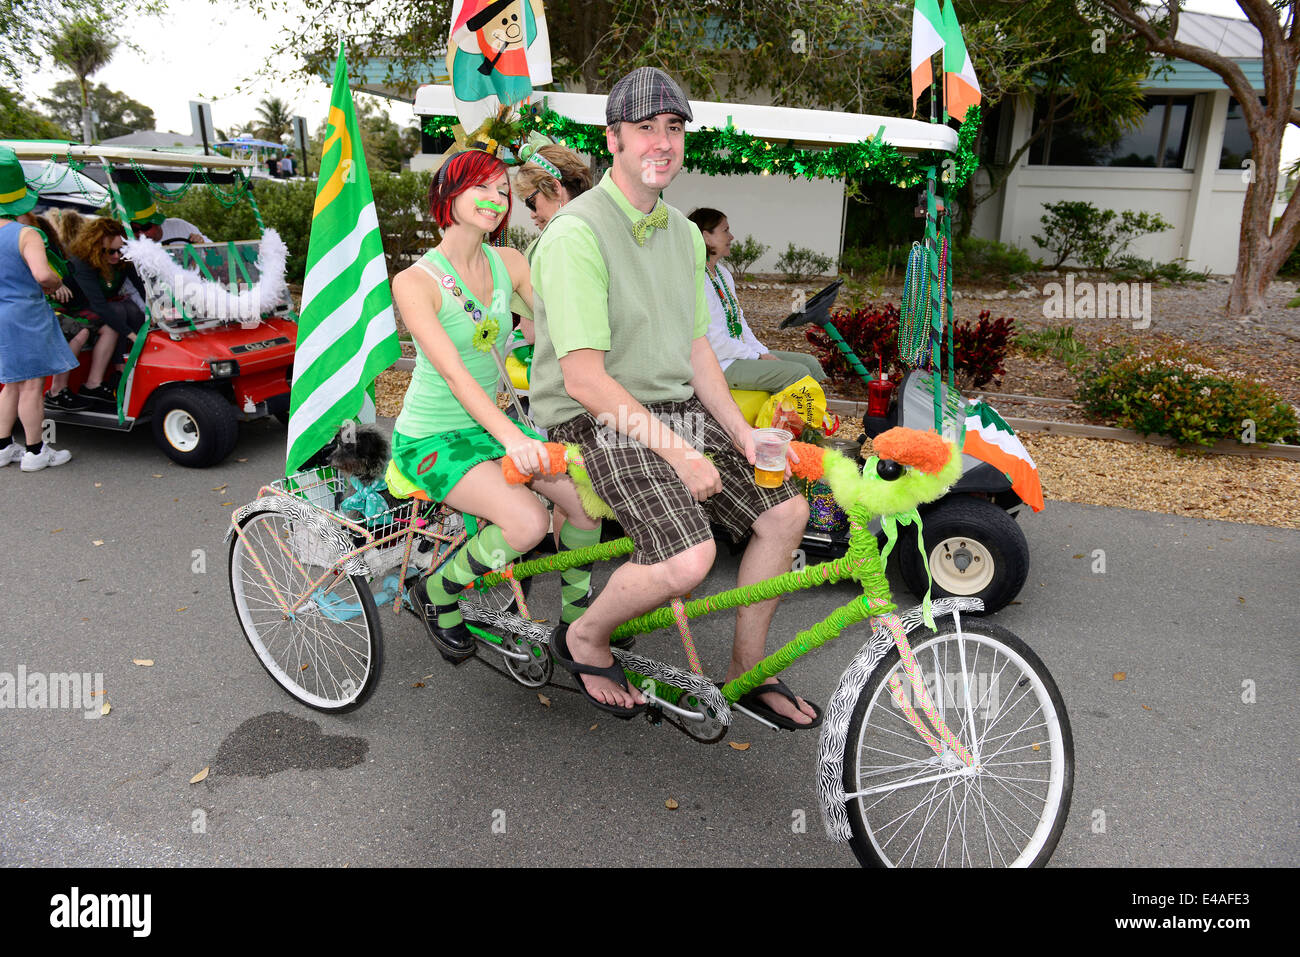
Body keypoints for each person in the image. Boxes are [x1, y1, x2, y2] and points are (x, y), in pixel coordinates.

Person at [527, 67, 818, 726]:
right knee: (690, 556)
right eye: (645, 128)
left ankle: (748, 669)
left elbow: (696, 352)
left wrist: (743, 435)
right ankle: (585, 635)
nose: (661, 141)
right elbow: (584, 380)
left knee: (787, 515)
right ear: (614, 140)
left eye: (673, 127)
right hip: (590, 416)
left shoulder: (685, 234)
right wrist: (682, 455)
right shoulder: (576, 232)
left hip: (668, 407)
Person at [385, 148, 602, 664]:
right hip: (431, 438)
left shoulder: (511, 263)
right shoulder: (415, 282)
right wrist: (517, 440)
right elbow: (458, 378)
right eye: (480, 187)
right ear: (448, 194)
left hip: (492, 427)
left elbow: (554, 325)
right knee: (527, 525)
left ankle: (579, 625)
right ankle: (436, 593)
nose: (496, 198)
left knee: (584, 505)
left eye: (503, 190)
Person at [686, 207, 826, 394]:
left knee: (810, 363)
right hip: (716, 364)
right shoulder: (695, 278)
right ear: (706, 237)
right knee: (798, 373)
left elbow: (740, 323)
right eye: (725, 230)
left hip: (737, 356)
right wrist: (756, 356)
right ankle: (791, 422)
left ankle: (817, 419)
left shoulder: (723, 274)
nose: (731, 237)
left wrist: (762, 352)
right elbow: (713, 341)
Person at [0, 146, 78, 470]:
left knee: (10, 384)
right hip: (26, 313)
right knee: (33, 385)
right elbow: (42, 274)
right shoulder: (26, 233)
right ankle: (35, 452)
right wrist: (57, 283)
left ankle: (4, 447)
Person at [15, 212, 91, 411]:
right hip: (31, 312)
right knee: (79, 330)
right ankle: (57, 390)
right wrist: (55, 285)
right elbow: (40, 278)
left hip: (34, 309)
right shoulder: (26, 244)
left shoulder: (40, 251)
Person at [65, 218, 145, 404]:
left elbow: (142, 288)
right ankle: (117, 370)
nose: (117, 256)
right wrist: (132, 335)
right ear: (96, 248)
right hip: (76, 308)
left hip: (102, 305)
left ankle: (131, 365)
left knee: (133, 310)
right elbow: (99, 305)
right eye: (111, 251)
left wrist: (159, 309)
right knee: (116, 311)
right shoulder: (82, 263)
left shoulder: (123, 261)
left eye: (121, 250)